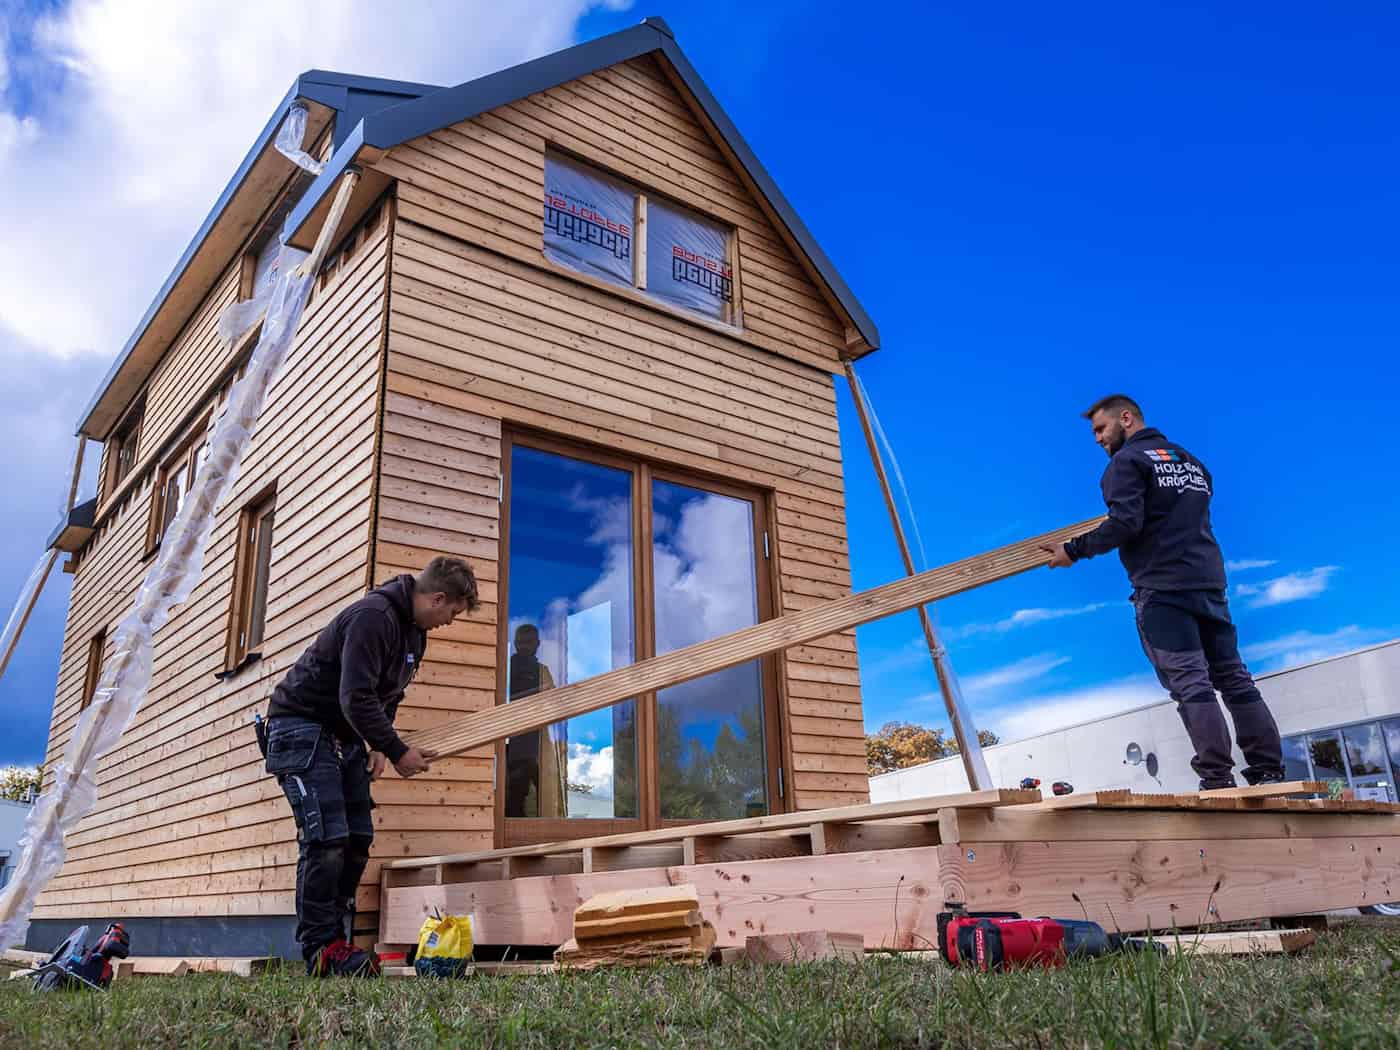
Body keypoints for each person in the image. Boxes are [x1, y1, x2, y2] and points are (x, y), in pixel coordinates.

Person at [1041, 394, 1285, 790]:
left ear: (1127, 418)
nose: (1098, 439)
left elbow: (1125, 524)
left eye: (1101, 429)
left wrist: (1072, 550)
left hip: (1163, 589)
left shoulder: (1126, 463)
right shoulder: (1191, 463)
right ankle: (1267, 770)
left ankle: (1217, 779)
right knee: (1235, 678)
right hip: (1208, 585)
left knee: (1191, 683)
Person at [261, 556, 479, 976]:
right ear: (437, 598)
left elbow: (386, 697)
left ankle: (339, 943)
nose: (450, 622)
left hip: (343, 735)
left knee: (357, 837)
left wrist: (380, 744)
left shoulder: (414, 636)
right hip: (299, 727)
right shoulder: (372, 618)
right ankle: (321, 950)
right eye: (452, 612)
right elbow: (355, 696)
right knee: (326, 838)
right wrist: (396, 750)